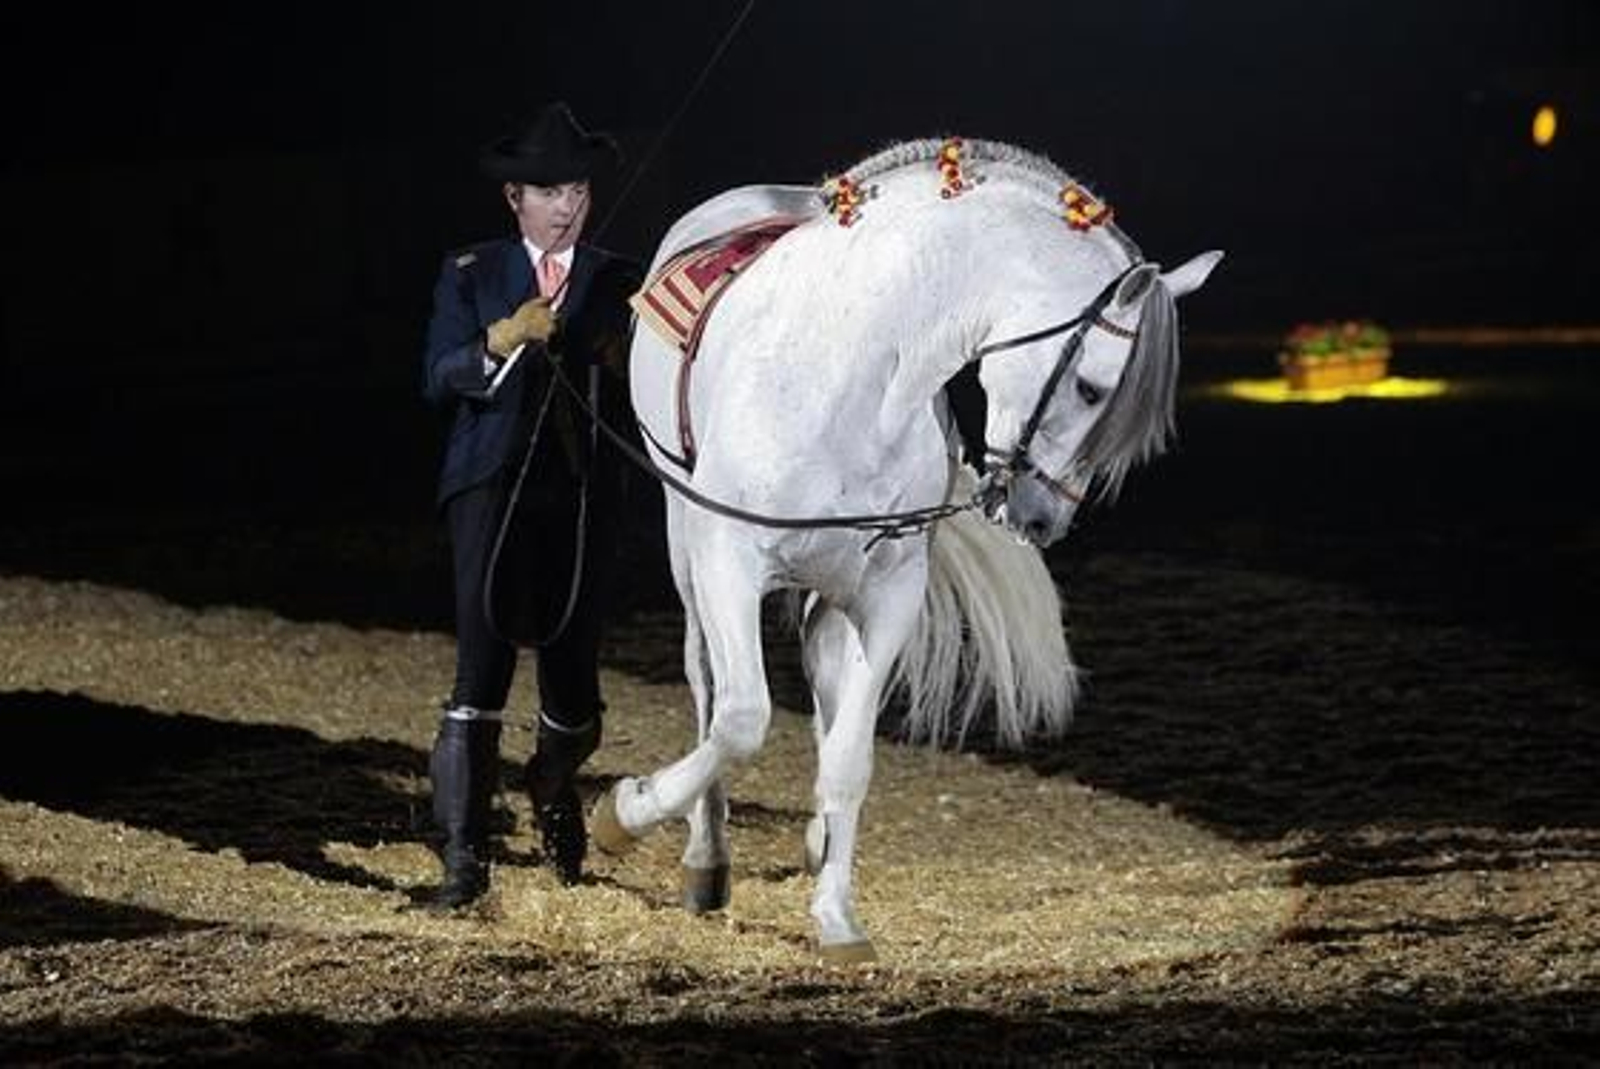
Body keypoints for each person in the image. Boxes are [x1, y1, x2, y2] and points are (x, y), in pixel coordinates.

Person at [420, 101, 641, 908]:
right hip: (489, 484)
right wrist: (498, 341)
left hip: (580, 492)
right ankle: (463, 857)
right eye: (549, 191)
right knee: (480, 663)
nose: (566, 204)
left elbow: (641, 374)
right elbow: (436, 377)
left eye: (577, 188)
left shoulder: (619, 278)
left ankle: (552, 782)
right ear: (516, 198)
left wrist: (615, 352)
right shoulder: (472, 273)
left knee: (573, 675)